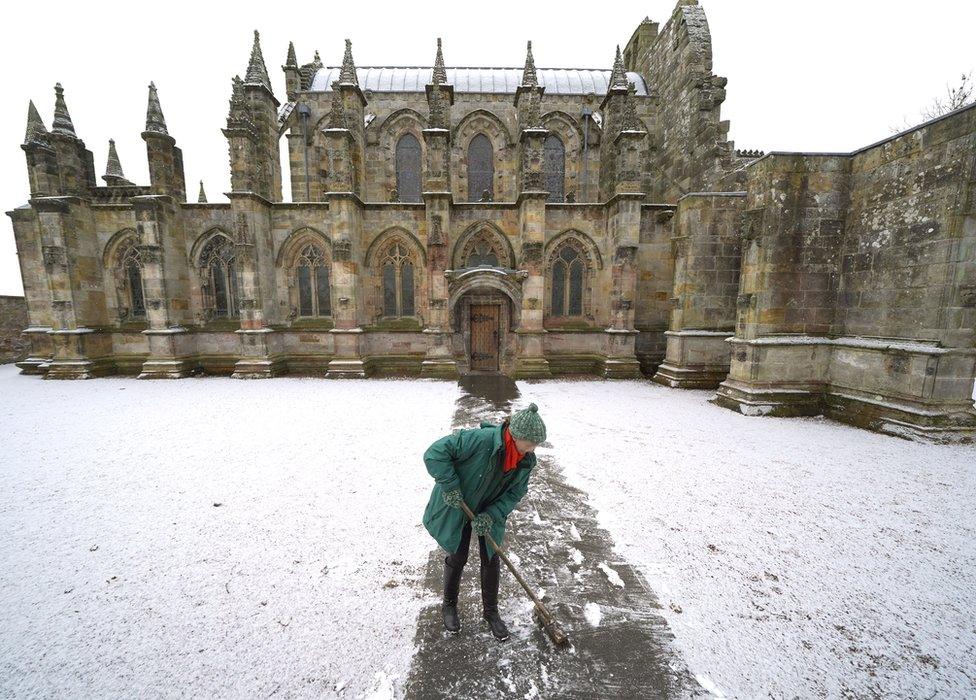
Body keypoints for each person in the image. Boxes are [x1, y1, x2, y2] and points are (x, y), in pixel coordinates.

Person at [421, 403, 547, 641]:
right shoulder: (479, 440)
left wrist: (491, 514)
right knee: (457, 556)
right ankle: (449, 605)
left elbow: (514, 494)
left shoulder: (524, 461)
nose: (532, 449)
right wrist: (450, 486)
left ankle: (491, 613)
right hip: (460, 505)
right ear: (515, 436)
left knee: (491, 557)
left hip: (489, 510)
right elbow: (435, 453)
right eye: (530, 444)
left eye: (535, 445)